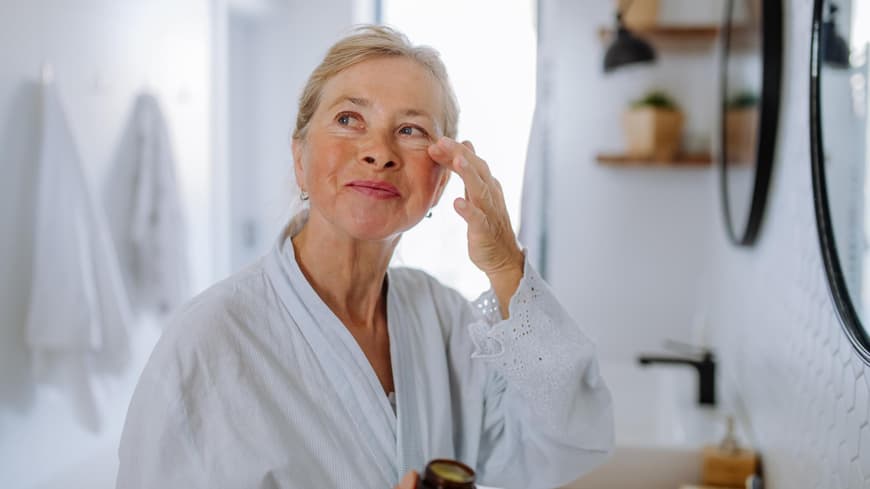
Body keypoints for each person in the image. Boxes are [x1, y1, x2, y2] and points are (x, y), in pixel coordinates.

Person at [116, 25, 613, 489]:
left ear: (439, 182)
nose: (379, 151)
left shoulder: (443, 320)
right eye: (349, 119)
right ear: (300, 159)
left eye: (412, 130)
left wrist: (506, 265)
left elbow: (564, 444)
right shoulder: (208, 342)